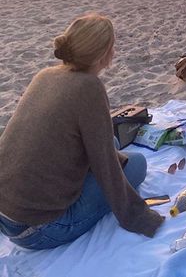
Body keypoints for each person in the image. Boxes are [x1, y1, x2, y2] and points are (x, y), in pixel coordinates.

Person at [0, 14, 164, 250]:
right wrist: (136, 214)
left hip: (6, 211)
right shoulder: (90, 87)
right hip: (38, 229)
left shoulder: (45, 75)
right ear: (103, 54)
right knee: (137, 164)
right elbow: (104, 163)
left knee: (114, 144)